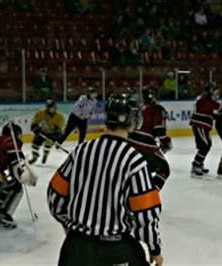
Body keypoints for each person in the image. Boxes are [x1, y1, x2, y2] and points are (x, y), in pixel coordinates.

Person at [47, 93, 163, 266]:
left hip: (75, 249)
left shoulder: (81, 151)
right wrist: (155, 249)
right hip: (115, 250)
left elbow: (55, 194)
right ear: (133, 121)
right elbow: (145, 214)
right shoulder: (134, 160)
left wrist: (70, 227)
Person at [129, 86, 172, 190]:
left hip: (130, 142)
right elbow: (159, 129)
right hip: (146, 144)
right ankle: (149, 196)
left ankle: (135, 191)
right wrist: (166, 142)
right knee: (164, 169)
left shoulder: (138, 107)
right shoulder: (157, 108)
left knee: (143, 169)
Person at [190, 81, 222, 177]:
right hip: (200, 125)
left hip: (203, 126)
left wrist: (213, 115)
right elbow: (214, 106)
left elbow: (207, 110)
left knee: (206, 145)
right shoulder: (204, 99)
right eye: (214, 90)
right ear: (210, 90)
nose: (216, 93)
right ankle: (196, 165)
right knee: (205, 146)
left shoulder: (205, 98)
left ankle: (199, 163)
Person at [29, 100, 65, 164]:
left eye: (54, 107)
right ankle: (35, 156)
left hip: (52, 133)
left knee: (48, 145)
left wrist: (56, 136)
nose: (53, 109)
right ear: (47, 108)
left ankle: (45, 155)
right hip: (42, 132)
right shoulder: (41, 113)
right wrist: (35, 127)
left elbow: (60, 129)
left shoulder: (59, 116)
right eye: (51, 107)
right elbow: (35, 121)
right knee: (35, 145)